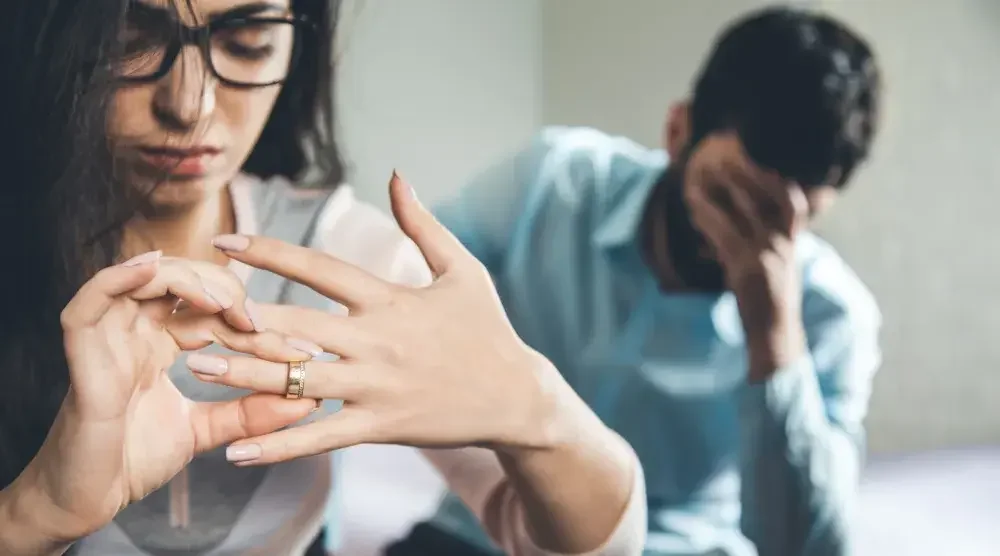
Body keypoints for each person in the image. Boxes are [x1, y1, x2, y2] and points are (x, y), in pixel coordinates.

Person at [0, 1, 646, 555]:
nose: (190, 104)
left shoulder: (354, 254)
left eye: (245, 43)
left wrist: (540, 410)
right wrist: (36, 516)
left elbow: (575, 541)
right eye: (127, 43)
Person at [409, 6, 884, 556]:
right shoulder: (554, 183)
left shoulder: (831, 317)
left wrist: (772, 334)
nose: (746, 233)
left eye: (779, 218)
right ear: (678, 130)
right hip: (491, 533)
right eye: (730, 195)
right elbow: (414, 279)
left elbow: (805, 547)